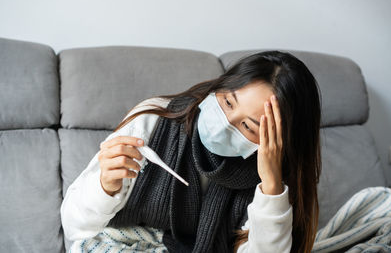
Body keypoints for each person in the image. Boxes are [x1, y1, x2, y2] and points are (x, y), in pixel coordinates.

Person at [60, 50, 322, 253]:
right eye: (228, 101)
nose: (225, 123)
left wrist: (272, 187)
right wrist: (105, 187)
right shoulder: (153, 121)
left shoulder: (272, 180)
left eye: (248, 126)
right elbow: (74, 228)